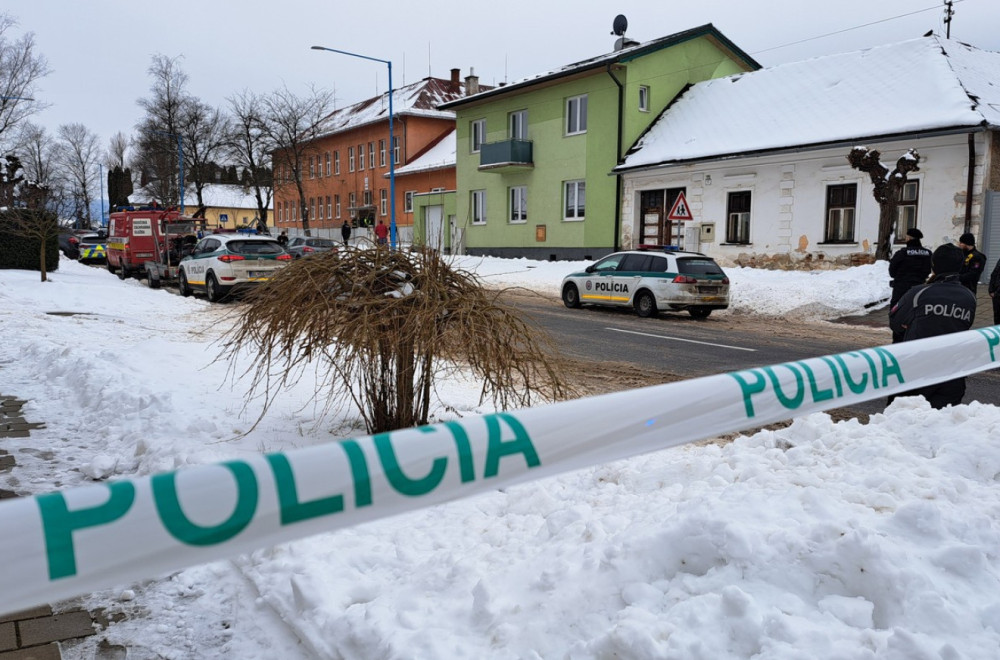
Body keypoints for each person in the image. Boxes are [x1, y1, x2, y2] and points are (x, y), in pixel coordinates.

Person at [889, 243, 977, 408]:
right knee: (942, 425)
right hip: (953, 375)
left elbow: (895, 323)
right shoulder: (969, 297)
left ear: (933, 265)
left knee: (901, 423)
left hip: (916, 372)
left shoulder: (918, 293)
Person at [887, 227, 932, 342]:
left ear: (908, 238)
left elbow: (892, 272)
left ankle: (898, 342)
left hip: (901, 290)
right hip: (920, 290)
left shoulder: (902, 253)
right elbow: (928, 271)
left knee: (898, 317)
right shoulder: (928, 253)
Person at [989, 256, 1000, 325]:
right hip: (996, 295)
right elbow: (994, 274)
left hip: (997, 293)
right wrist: (991, 290)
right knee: (997, 316)